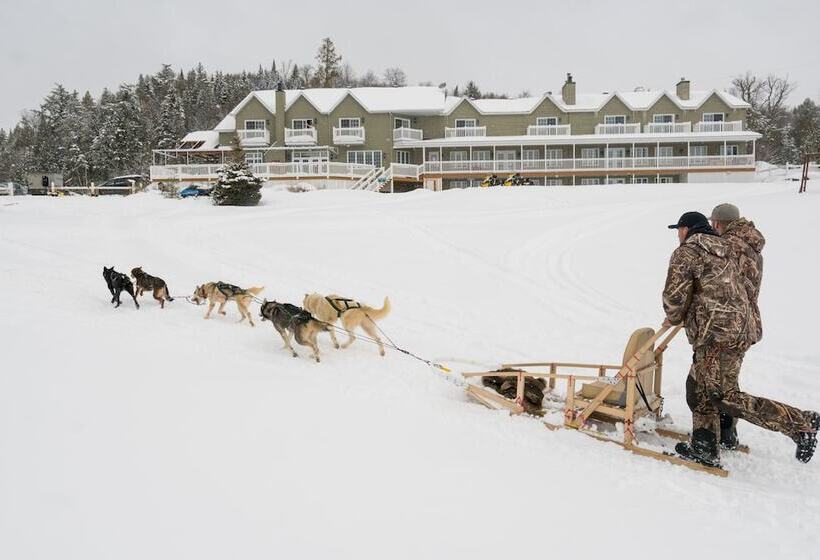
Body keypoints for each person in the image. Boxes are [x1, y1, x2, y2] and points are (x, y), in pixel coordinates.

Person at [662, 211, 818, 467]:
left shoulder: (687, 252)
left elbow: (674, 296)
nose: (678, 235)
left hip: (716, 335)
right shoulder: (727, 248)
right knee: (697, 387)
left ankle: (800, 423)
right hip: (739, 328)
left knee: (724, 396)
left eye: (678, 229)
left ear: (686, 229)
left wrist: (675, 316)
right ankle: (707, 445)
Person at [709, 203, 766, 449]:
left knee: (719, 388)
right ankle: (727, 433)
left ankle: (796, 422)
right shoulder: (753, 248)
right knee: (728, 382)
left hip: (727, 325)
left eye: (713, 223)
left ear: (718, 223)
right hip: (747, 323)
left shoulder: (728, 246)